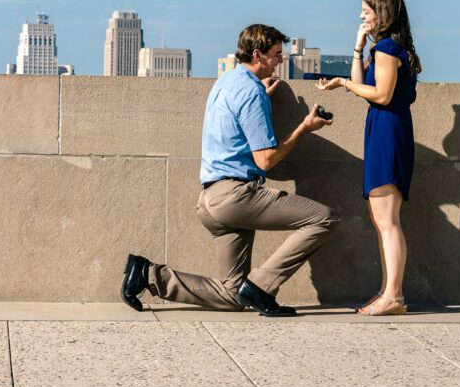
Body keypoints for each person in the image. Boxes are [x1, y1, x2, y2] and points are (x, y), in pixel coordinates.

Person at [122, 24, 341, 317]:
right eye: (276, 55)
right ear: (257, 54)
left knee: (232, 295)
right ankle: (262, 286)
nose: (280, 61)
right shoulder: (252, 92)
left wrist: (261, 93)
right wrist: (304, 127)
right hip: (236, 196)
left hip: (210, 199)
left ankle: (148, 275)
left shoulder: (226, 82)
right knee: (325, 218)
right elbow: (265, 161)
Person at [318, 0, 420, 316]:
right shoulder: (384, 47)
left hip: (388, 130)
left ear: (382, 11)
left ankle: (394, 296)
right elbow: (364, 84)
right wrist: (358, 48)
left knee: (387, 219)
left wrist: (344, 84)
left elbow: (382, 95)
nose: (361, 14)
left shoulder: (388, 48)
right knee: (382, 219)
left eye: (366, 9)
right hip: (385, 129)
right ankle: (389, 291)